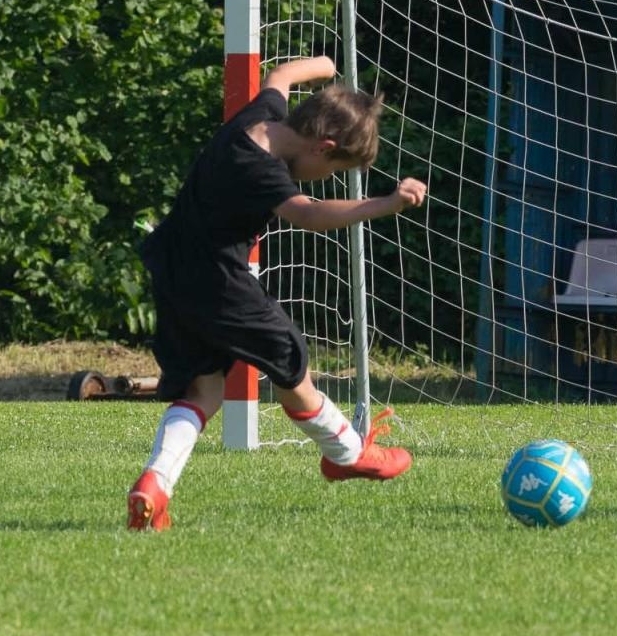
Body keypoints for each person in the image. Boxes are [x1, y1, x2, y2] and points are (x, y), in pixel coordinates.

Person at [126, 56, 426, 531]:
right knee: (291, 363)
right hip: (218, 281)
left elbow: (280, 76)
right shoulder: (264, 171)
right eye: (334, 169)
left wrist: (325, 65)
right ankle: (346, 453)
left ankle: (154, 485)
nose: (325, 178)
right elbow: (308, 213)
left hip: (172, 268)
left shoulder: (258, 117)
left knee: (204, 388)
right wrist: (386, 204)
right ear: (324, 147)